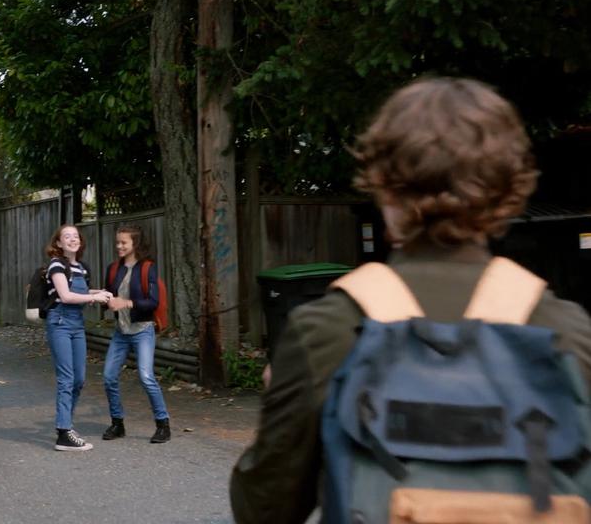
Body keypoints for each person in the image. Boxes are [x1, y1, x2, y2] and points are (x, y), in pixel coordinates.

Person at [229, 77, 591, 523]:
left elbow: (263, 507)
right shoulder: (567, 331)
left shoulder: (328, 329)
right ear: (507, 189)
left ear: (383, 184)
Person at [44, 224, 113, 451]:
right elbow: (65, 296)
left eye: (75, 236)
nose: (72, 239)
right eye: (67, 236)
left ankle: (66, 425)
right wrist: (95, 298)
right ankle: (64, 432)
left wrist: (99, 292)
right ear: (59, 243)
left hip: (77, 325)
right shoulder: (57, 265)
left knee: (79, 379)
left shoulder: (82, 268)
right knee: (66, 378)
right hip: (61, 323)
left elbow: (81, 292)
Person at [101, 224, 171, 444]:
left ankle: (163, 424)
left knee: (146, 377)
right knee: (109, 377)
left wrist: (127, 302)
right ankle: (117, 423)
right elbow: (109, 298)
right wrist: (102, 298)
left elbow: (153, 301)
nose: (119, 246)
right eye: (118, 242)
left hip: (142, 331)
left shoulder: (147, 268)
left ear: (135, 244)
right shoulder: (113, 268)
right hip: (121, 332)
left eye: (124, 242)